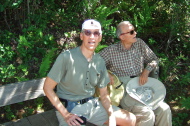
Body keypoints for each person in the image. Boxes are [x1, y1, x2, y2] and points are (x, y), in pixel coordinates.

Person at [43, 19, 136, 126]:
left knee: (130, 119)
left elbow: (104, 95)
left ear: (100, 38)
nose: (92, 36)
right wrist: (66, 115)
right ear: (82, 36)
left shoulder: (99, 61)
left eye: (96, 33)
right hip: (70, 109)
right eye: (88, 32)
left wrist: (111, 115)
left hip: (93, 106)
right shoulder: (66, 57)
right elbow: (47, 88)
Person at [99, 21, 172, 126]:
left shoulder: (139, 43)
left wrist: (146, 71)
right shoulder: (111, 51)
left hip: (141, 83)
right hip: (123, 88)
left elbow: (154, 59)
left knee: (165, 109)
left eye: (134, 30)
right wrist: (106, 72)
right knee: (147, 114)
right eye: (131, 32)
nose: (135, 33)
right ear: (121, 36)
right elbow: (93, 63)